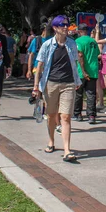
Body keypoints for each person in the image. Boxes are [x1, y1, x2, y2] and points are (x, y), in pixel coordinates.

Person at [33, 15, 81, 162]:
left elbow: (75, 63)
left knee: (65, 116)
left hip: (68, 83)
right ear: (55, 28)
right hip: (50, 84)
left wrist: (77, 79)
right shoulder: (47, 45)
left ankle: (67, 150)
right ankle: (51, 141)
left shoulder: (72, 44)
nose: (65, 27)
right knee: (52, 115)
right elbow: (39, 66)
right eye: (62, 25)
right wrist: (36, 87)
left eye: (66, 25)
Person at [73, 23, 101, 124]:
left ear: (80, 31)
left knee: (78, 93)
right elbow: (97, 54)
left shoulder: (77, 41)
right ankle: (91, 115)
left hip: (81, 72)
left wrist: (84, 71)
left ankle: (78, 114)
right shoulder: (93, 41)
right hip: (93, 71)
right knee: (91, 94)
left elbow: (80, 56)